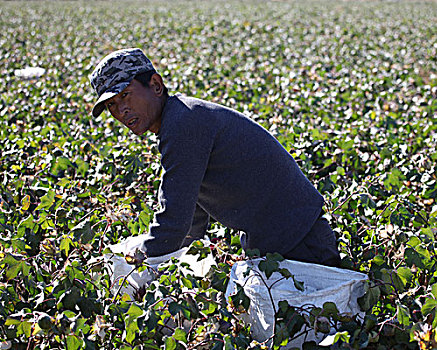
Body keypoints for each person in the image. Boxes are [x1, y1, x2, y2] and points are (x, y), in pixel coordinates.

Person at [89, 48, 340, 267]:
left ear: (155, 85)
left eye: (125, 95)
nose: (121, 110)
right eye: (111, 105)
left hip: (304, 246)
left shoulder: (183, 124)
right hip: (285, 241)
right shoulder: (180, 119)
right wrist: (183, 251)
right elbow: (191, 214)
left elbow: (174, 220)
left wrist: (138, 259)